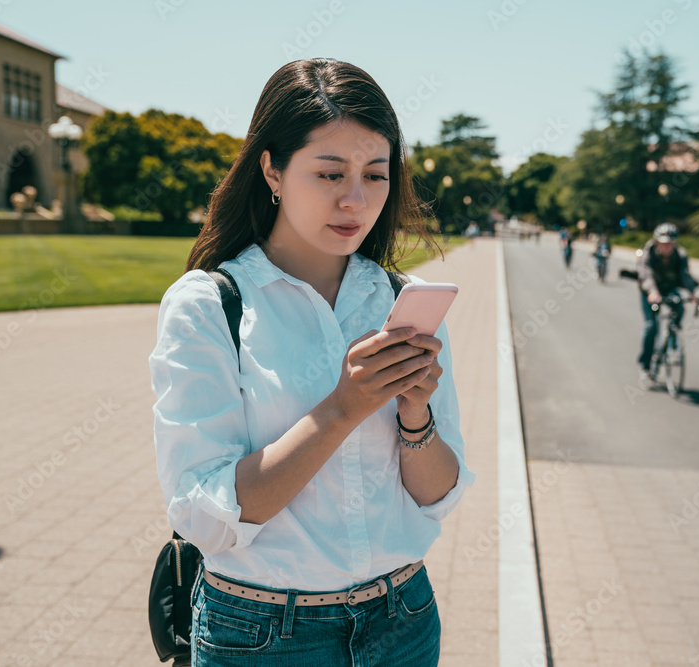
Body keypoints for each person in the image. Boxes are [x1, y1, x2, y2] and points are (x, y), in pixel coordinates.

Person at [148, 58, 475, 667]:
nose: (355, 200)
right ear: (272, 168)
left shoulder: (402, 303)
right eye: (329, 173)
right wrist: (342, 409)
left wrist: (414, 415)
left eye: (376, 176)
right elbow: (204, 513)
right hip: (263, 634)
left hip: (402, 618)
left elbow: (438, 496)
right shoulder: (209, 306)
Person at [636, 223, 699, 377]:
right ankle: (645, 363)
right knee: (651, 326)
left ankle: (673, 331)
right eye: (663, 244)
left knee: (679, 304)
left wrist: (693, 292)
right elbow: (646, 274)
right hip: (650, 292)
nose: (667, 247)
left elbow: (684, 275)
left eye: (670, 244)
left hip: (669, 288)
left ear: (674, 243)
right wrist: (653, 292)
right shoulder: (649, 253)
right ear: (657, 242)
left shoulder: (680, 255)